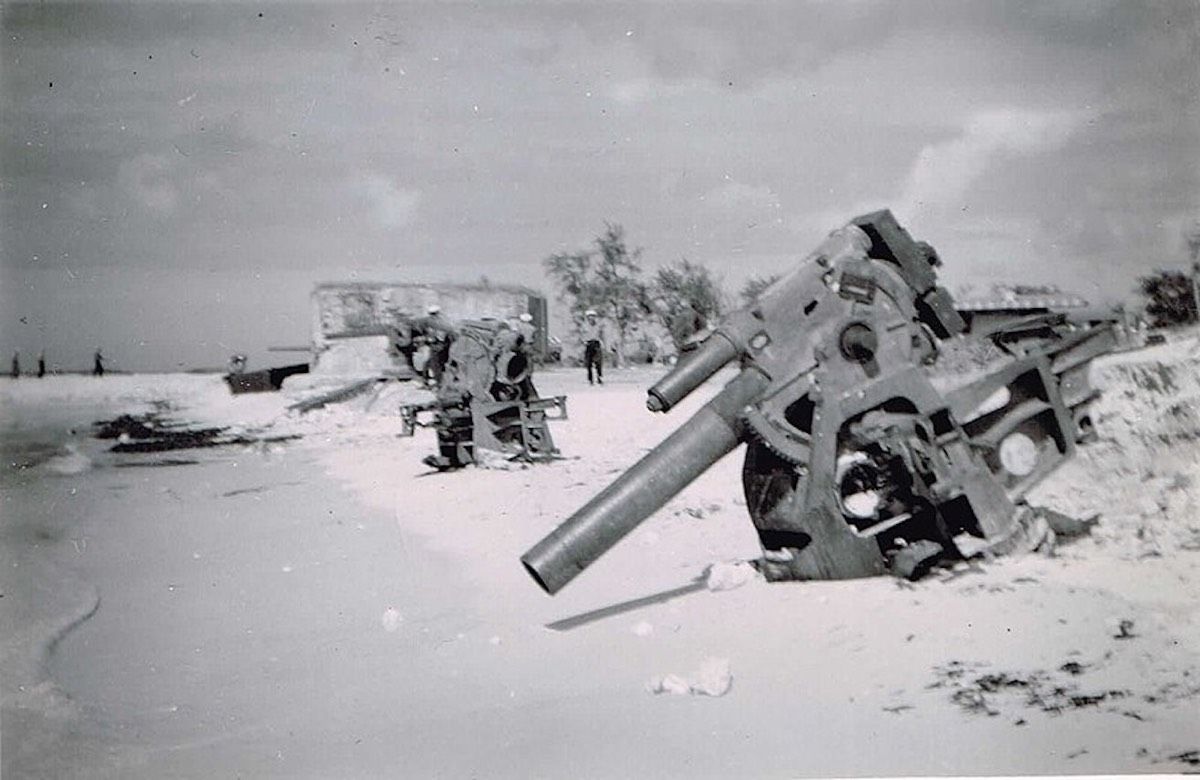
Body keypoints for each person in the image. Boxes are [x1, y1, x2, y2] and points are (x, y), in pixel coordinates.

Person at [419, 304, 456, 387]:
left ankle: (439, 383)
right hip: (444, 347)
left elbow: (439, 337)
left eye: (432, 314)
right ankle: (427, 381)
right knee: (429, 364)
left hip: (439, 347)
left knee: (435, 365)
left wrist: (428, 339)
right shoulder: (445, 320)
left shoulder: (438, 323)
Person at [580, 309, 605, 385]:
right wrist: (584, 342)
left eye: (593, 316)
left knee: (598, 363)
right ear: (587, 318)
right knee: (588, 363)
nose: (591, 318)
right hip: (588, 344)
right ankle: (590, 379)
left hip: (596, 343)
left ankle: (599, 377)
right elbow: (582, 335)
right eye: (590, 316)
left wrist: (603, 343)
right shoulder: (584, 326)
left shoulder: (598, 326)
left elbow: (602, 335)